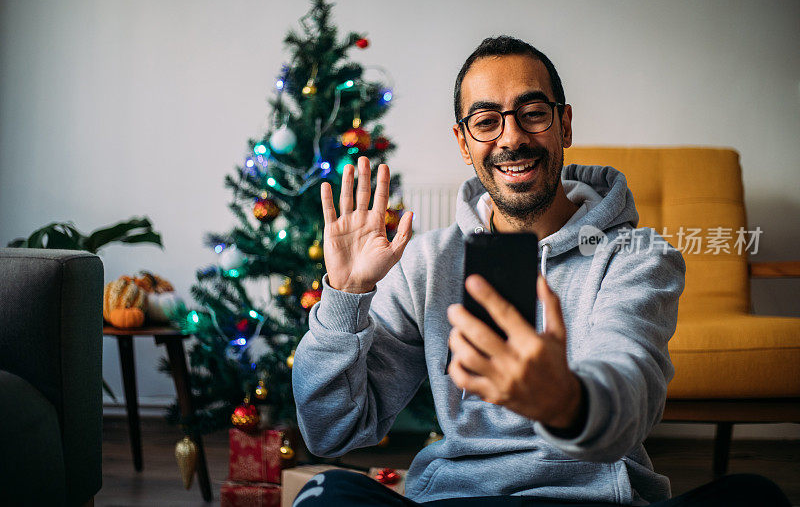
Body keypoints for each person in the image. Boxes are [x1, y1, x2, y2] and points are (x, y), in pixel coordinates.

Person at [290, 36, 791, 506]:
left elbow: (631, 384)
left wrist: (564, 400)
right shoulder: (426, 263)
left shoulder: (634, 255)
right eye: (486, 121)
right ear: (464, 142)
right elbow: (332, 431)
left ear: (564, 125)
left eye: (532, 114)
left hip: (592, 498)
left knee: (753, 497)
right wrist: (346, 293)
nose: (512, 137)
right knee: (325, 495)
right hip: (460, 497)